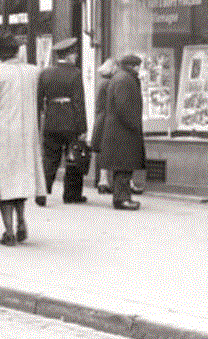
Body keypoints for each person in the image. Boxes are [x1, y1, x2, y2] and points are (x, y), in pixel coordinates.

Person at [0, 33, 47, 245]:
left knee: (5, 184)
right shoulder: (34, 71)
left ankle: (9, 232)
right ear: (16, 51)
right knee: (20, 182)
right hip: (27, 136)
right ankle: (22, 220)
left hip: (2, 135)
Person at [38, 37, 89, 204]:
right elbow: (78, 103)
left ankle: (42, 191)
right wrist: (82, 128)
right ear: (68, 55)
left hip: (51, 122)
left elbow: (39, 100)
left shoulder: (45, 73)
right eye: (73, 54)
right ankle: (71, 195)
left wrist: (40, 122)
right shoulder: (75, 74)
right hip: (70, 122)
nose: (75, 57)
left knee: (50, 158)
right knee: (73, 158)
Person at [98, 55, 145, 210]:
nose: (140, 69)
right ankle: (122, 199)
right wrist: (134, 124)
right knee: (124, 166)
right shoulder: (125, 80)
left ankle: (121, 198)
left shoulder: (120, 77)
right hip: (123, 131)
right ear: (133, 66)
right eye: (138, 66)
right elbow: (123, 107)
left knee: (122, 166)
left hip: (119, 130)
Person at [91, 58, 117, 193]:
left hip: (101, 118)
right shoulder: (109, 83)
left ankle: (103, 181)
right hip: (107, 119)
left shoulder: (101, 82)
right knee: (108, 150)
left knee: (102, 150)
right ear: (112, 69)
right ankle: (104, 181)